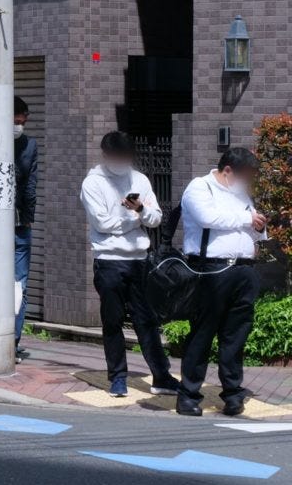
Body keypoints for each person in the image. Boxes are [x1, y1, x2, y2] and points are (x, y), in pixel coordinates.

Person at [79, 132, 181, 398]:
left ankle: (161, 376)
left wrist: (141, 211)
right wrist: (136, 219)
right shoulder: (93, 183)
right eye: (117, 157)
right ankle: (118, 378)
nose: (121, 162)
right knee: (112, 321)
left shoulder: (140, 179)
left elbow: (156, 218)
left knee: (146, 321)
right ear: (106, 156)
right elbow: (101, 224)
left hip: (139, 260)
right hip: (109, 261)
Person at [175, 148, 267, 417]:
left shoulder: (241, 194)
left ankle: (233, 394)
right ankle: (189, 395)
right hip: (211, 271)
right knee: (202, 334)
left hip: (244, 270)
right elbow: (208, 218)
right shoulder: (200, 187)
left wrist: (259, 227)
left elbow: (253, 224)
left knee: (235, 335)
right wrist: (247, 219)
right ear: (229, 171)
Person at [13, 96, 38, 357]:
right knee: (18, 284)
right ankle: (12, 341)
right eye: (16, 121)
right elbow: (30, 187)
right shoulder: (30, 146)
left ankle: (10, 339)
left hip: (16, 224)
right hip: (20, 223)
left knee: (16, 285)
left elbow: (31, 188)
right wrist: (28, 216)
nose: (19, 125)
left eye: (22, 122)